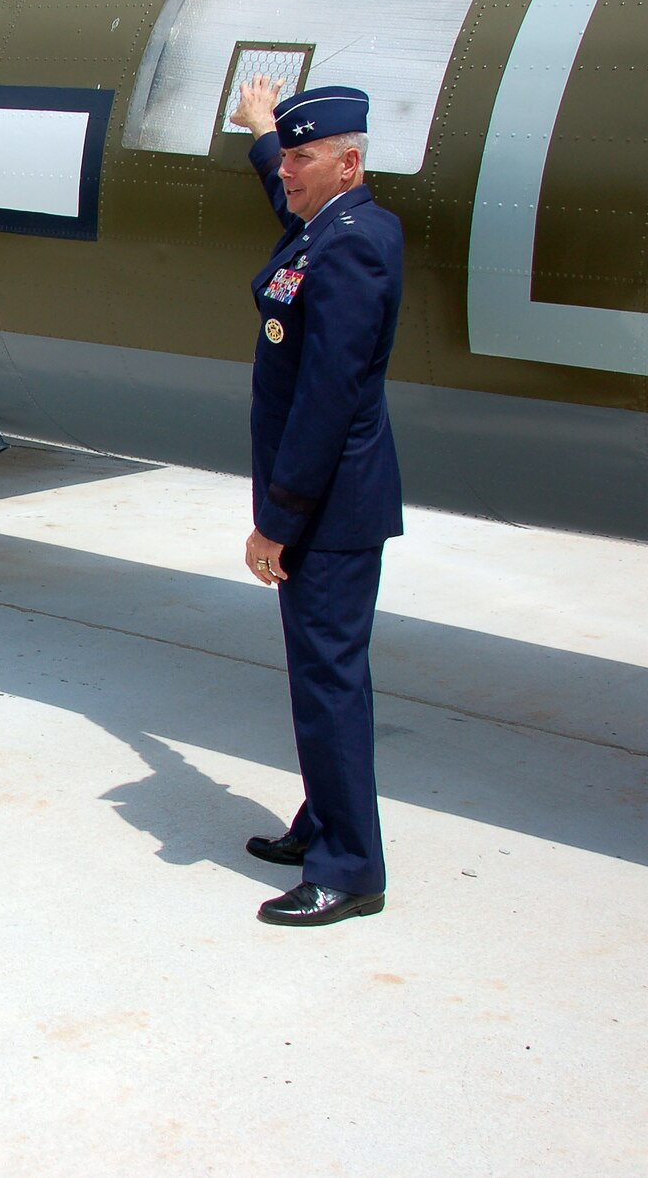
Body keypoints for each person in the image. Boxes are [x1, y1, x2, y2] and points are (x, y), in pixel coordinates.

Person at [226, 78, 404, 928]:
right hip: (319, 505)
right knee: (316, 679)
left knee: (330, 685)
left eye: (301, 158)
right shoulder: (326, 224)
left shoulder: (353, 246)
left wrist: (278, 521)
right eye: (285, 158)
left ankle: (351, 869)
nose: (285, 172)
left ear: (350, 161)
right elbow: (290, 197)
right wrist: (263, 130)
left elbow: (328, 399)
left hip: (328, 510)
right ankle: (323, 822)